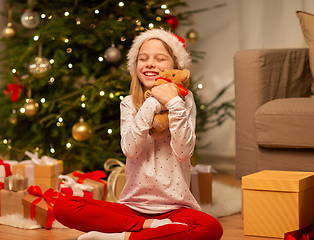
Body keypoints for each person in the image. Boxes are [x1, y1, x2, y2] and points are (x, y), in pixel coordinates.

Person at [54, 28, 223, 240]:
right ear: (136, 67)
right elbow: (130, 149)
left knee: (210, 228)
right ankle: (148, 227)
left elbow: (184, 152)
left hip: (175, 208)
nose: (150, 63)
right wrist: (152, 101)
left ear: (176, 68)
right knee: (63, 206)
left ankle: (119, 237)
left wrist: (172, 102)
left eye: (160, 59)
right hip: (133, 207)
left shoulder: (184, 101)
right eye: (143, 58)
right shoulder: (128, 103)